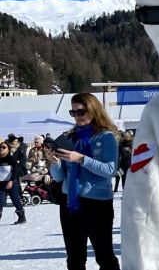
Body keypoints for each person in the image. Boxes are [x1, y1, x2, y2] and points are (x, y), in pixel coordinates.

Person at [46, 93, 120, 270]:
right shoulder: (70, 137)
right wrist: (54, 162)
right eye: (73, 113)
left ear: (93, 110)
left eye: (81, 111)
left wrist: (81, 159)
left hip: (97, 202)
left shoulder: (105, 137)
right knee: (74, 258)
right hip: (70, 201)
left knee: (104, 256)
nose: (77, 116)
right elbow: (59, 176)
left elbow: (109, 170)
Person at [0, 140, 26, 224]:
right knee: (0, 200)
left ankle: (21, 216)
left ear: (8, 149)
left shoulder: (11, 159)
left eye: (4, 147)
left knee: (15, 200)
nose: (1, 149)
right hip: (1, 184)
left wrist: (11, 181)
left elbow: (16, 171)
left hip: (12, 183)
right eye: (0, 147)